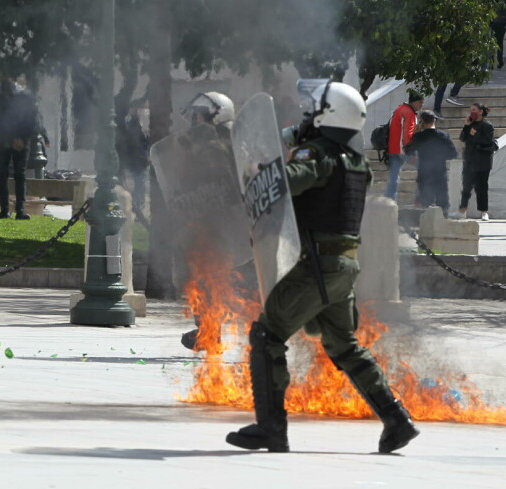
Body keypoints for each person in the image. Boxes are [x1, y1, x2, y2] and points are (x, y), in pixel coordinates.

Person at [226, 81, 419, 455]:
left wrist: (262, 167)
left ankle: (271, 428)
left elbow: (288, 182)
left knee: (267, 336)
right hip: (343, 266)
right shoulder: (357, 164)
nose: (305, 118)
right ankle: (397, 420)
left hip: (316, 266)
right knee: (343, 345)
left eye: (310, 112)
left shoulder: (316, 156)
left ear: (326, 116)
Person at [179, 91, 236, 351]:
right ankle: (208, 330)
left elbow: (223, 188)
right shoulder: (204, 146)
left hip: (215, 227)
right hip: (204, 224)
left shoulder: (217, 148)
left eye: (198, 114)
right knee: (202, 280)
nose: (194, 119)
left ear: (216, 116)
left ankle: (210, 332)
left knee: (208, 279)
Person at [0, 76, 48, 220]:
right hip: (3, 139)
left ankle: (20, 210)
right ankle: (5, 209)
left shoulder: (24, 97)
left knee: (19, 175)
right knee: (3, 175)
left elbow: (32, 120)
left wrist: (22, 138)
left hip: (20, 142)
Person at [405, 109, 457, 217]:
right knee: (442, 202)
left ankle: (426, 225)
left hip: (424, 172)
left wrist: (414, 134)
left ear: (422, 121)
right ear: (434, 120)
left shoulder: (419, 137)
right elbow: (453, 154)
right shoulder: (443, 135)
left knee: (425, 203)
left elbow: (408, 151)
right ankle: (444, 222)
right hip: (440, 172)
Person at [451, 103, 496, 221]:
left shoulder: (487, 125)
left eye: (474, 110)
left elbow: (488, 141)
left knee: (482, 187)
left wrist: (475, 134)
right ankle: (462, 210)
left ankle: (484, 211)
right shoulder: (470, 124)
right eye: (470, 110)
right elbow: (462, 138)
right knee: (466, 186)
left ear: (481, 111)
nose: (472, 112)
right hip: (469, 160)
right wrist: (466, 126)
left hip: (482, 162)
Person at [384, 89, 423, 201]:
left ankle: (389, 202)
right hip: (404, 150)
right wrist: (412, 151)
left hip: (393, 149)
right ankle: (421, 200)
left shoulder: (399, 109)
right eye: (420, 102)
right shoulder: (409, 113)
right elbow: (407, 135)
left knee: (394, 178)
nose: (422, 105)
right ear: (414, 102)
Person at [492, 0, 506, 69]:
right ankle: (499, 61)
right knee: (499, 42)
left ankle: (491, 61)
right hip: (502, 21)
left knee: (492, 41)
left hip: (493, 20)